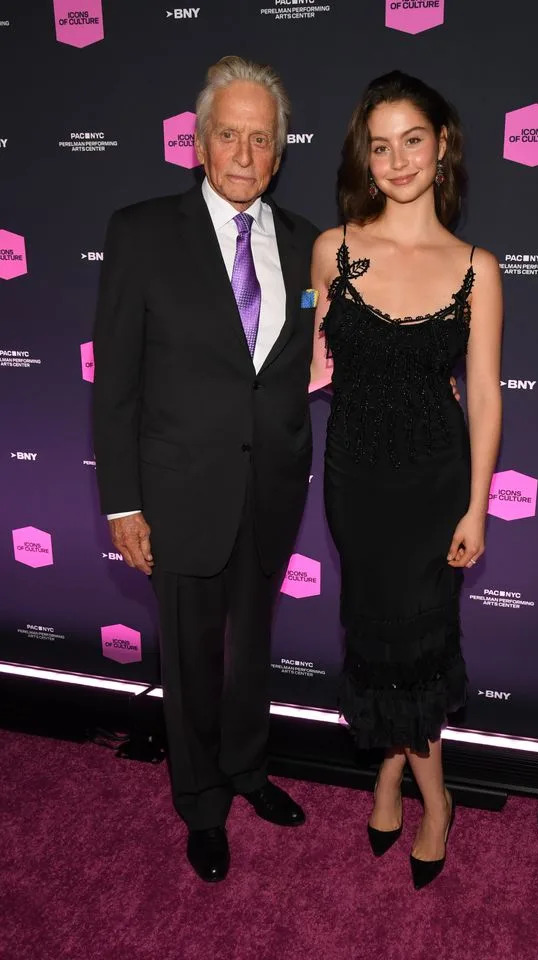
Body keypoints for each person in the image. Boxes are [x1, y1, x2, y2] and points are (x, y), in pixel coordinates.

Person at [92, 56, 320, 883]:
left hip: (270, 489)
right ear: (198, 142)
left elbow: (302, 361)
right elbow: (113, 384)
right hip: (177, 491)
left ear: (280, 152)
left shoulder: (305, 245)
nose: (245, 153)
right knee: (189, 661)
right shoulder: (141, 231)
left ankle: (250, 771)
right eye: (230, 134)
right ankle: (202, 802)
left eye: (262, 139)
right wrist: (122, 502)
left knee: (252, 648)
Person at [310, 71, 503, 889]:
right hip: (356, 484)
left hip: (434, 488)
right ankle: (407, 774)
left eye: (412, 140)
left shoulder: (477, 268)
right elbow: (312, 366)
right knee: (375, 637)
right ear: (366, 155)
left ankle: (430, 794)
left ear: (443, 144)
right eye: (379, 146)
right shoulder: (334, 248)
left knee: (419, 648)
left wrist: (477, 507)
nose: (396, 160)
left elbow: (485, 394)